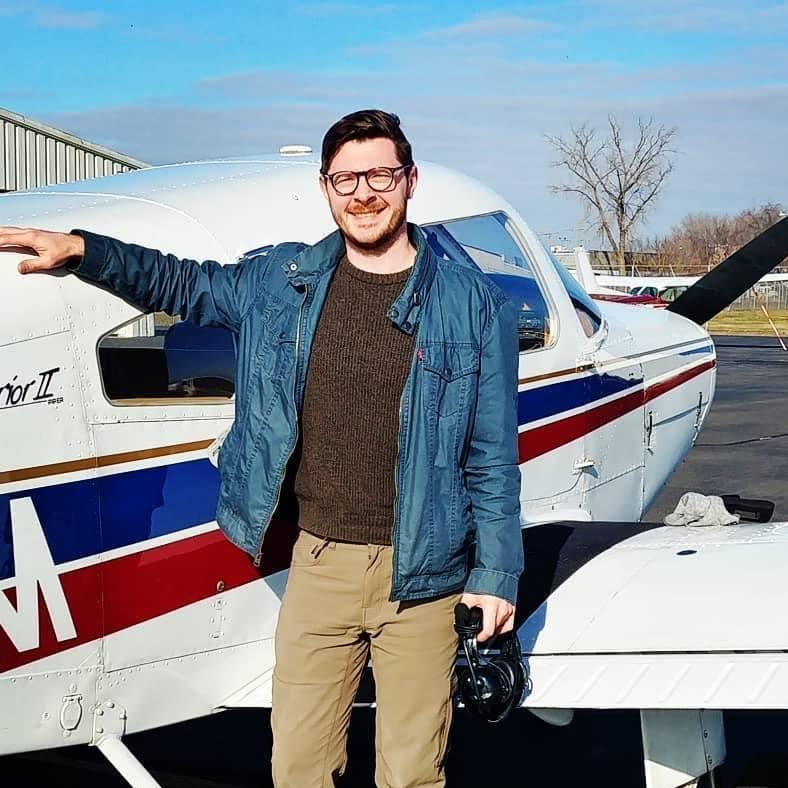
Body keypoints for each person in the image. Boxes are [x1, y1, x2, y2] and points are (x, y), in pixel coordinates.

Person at [0, 109, 523, 788]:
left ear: (409, 180)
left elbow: (491, 457)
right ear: (326, 188)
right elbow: (179, 282)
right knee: (298, 767)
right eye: (346, 180)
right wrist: (82, 251)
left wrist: (496, 574)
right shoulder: (281, 281)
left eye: (380, 176)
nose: (364, 194)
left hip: (424, 575)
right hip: (320, 566)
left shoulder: (475, 304)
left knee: (410, 775)